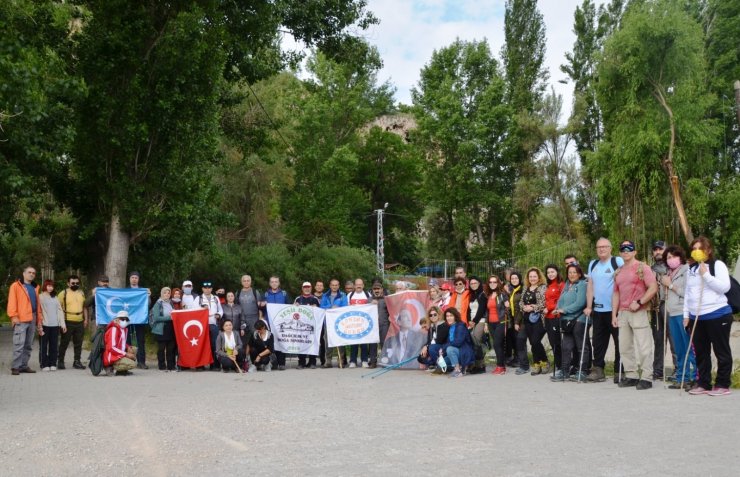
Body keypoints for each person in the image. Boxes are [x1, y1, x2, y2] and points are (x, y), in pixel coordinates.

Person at [683, 236, 734, 396]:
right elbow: (688, 294)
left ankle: (722, 384)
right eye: (694, 248)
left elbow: (724, 287)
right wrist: (686, 315)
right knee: (701, 352)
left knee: (721, 350)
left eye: (701, 248)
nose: (697, 251)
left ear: (708, 250)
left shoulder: (717, 265)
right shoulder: (691, 269)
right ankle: (704, 382)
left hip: (717, 314)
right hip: (697, 316)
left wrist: (706, 275)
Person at [612, 240, 658, 390]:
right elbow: (616, 293)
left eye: (629, 249)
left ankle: (646, 377)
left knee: (644, 346)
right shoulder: (618, 271)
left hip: (639, 311)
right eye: (623, 249)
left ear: (634, 252)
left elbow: (653, 287)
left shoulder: (642, 267)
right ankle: (631, 375)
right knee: (624, 346)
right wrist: (614, 315)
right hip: (623, 313)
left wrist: (639, 301)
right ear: (619, 253)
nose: (626, 251)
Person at [585, 238, 624, 383]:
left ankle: (619, 371)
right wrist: (589, 306)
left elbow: (627, 270)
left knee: (619, 342)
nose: (601, 249)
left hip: (615, 310)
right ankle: (598, 369)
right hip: (598, 310)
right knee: (598, 342)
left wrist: (620, 270)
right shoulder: (593, 264)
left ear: (610, 248)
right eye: (599, 247)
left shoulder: (617, 261)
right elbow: (590, 286)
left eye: (604, 247)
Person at [661, 245, 696, 389]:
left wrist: (670, 286)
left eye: (674, 256)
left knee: (689, 347)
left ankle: (694, 377)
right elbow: (665, 296)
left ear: (680, 257)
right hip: (672, 313)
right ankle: (682, 377)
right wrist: (664, 286)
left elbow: (688, 292)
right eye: (668, 257)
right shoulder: (668, 273)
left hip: (684, 312)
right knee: (679, 348)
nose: (671, 260)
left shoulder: (687, 271)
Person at [553, 264, 589, 382]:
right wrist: (557, 308)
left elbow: (580, 303)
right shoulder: (567, 285)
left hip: (578, 319)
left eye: (574, 272)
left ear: (579, 274)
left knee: (581, 346)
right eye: (569, 272)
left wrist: (564, 310)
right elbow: (560, 300)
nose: (572, 275)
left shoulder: (582, 284)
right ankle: (565, 371)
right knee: (566, 347)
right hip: (566, 320)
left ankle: (582, 371)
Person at [515, 268, 547, 376]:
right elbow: (520, 303)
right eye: (530, 276)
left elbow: (544, 304)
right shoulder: (526, 288)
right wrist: (523, 307)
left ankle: (544, 362)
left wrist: (533, 307)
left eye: (534, 276)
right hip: (527, 319)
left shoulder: (543, 288)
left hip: (539, 319)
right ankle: (537, 364)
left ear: (539, 277)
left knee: (535, 341)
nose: (532, 278)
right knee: (532, 343)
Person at [57, 275, 88, 370]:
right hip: (67, 321)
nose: (75, 285)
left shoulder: (81, 293)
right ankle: (60, 361)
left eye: (77, 283)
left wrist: (86, 319)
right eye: (73, 283)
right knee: (64, 342)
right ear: (68, 283)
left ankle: (77, 361)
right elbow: (58, 308)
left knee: (78, 343)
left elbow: (85, 307)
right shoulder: (63, 293)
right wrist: (61, 322)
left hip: (80, 321)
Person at [650, 240, 671, 380]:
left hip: (670, 305)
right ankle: (658, 370)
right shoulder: (649, 269)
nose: (658, 252)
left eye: (661, 249)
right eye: (655, 249)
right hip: (656, 308)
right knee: (658, 340)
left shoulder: (673, 267)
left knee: (674, 339)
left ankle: (679, 370)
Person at [320, 278, 348, 367]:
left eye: (336, 285)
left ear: (339, 286)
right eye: (333, 285)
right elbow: (321, 307)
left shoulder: (343, 295)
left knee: (340, 340)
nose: (334, 286)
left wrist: (338, 308)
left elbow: (345, 307)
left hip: (339, 322)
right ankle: (328, 361)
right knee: (328, 341)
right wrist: (331, 307)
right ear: (330, 286)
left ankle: (341, 360)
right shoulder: (325, 295)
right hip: (328, 321)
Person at [264, 276, 290, 370]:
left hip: (282, 323)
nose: (274, 283)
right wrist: (262, 305)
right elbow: (262, 309)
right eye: (272, 282)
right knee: (271, 343)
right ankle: (273, 363)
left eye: (276, 282)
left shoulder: (284, 293)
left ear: (279, 283)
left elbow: (289, 306)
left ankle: (282, 363)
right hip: (270, 322)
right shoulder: (266, 294)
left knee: (281, 341)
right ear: (270, 283)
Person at [39, 279, 66, 371]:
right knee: (43, 345)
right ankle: (44, 364)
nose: (50, 288)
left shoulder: (55, 298)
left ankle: (53, 363)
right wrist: (39, 325)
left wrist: (62, 324)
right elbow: (38, 312)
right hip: (44, 325)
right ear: (45, 286)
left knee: (54, 345)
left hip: (55, 325)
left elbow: (60, 311)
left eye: (51, 286)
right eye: (48, 285)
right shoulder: (40, 297)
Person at [440, 307, 474, 378]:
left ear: (455, 316)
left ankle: (458, 370)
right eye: (447, 316)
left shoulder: (460, 326)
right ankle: (462, 366)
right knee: (441, 363)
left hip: (464, 352)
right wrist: (442, 350)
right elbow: (449, 342)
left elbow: (458, 342)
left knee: (449, 349)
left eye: (451, 316)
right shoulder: (451, 327)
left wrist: (444, 348)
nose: (449, 318)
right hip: (457, 352)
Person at [543, 265, 565, 376]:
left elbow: (562, 300)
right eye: (548, 272)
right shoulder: (549, 285)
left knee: (557, 343)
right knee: (553, 342)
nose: (550, 274)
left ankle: (562, 366)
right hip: (548, 318)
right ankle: (558, 364)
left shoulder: (561, 284)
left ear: (557, 272)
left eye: (552, 271)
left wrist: (550, 308)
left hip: (556, 317)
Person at [485, 275, 509, 375]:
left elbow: (508, 308)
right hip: (491, 323)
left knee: (497, 344)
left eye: (494, 282)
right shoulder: (489, 295)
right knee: (497, 344)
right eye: (490, 282)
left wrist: (504, 318)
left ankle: (500, 367)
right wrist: (486, 323)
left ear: (498, 283)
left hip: (501, 322)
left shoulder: (503, 294)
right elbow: (487, 311)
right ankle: (502, 366)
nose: (492, 284)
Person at [294, 281, 321, 369]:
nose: (307, 289)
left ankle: (312, 362)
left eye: (308, 287)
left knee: (313, 343)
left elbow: (321, 312)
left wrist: (316, 308)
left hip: (312, 326)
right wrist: (295, 306)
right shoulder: (298, 298)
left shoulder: (315, 299)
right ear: (302, 288)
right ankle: (301, 362)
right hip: (301, 327)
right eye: (305, 287)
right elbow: (292, 311)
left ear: (311, 288)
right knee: (301, 343)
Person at [127, 271, 150, 369]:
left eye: (136, 278)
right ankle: (128, 361)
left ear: (138, 279)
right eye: (132, 277)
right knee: (127, 341)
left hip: (140, 319)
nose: (134, 279)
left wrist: (148, 296)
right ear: (130, 279)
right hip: (127, 320)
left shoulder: (143, 291)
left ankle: (141, 362)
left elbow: (148, 304)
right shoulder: (125, 291)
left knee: (140, 341)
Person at [347, 278, 372, 368]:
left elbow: (370, 307)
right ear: (354, 286)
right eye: (357, 284)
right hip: (353, 322)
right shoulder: (350, 295)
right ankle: (353, 361)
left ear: (363, 285)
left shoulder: (367, 294)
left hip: (364, 323)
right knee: (353, 342)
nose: (358, 286)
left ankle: (364, 360)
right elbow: (346, 307)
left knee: (364, 342)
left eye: (360, 284)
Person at [198, 280, 223, 370]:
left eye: (209, 288)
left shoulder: (216, 298)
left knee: (214, 345)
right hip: (202, 325)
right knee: (202, 344)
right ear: (202, 289)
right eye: (205, 288)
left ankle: (214, 365)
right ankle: (201, 365)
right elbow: (193, 311)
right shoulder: (198, 298)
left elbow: (220, 310)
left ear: (212, 289)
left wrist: (218, 315)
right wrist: (201, 308)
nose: (207, 289)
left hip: (213, 324)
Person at [150, 287, 176, 372]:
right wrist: (170, 317)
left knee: (170, 348)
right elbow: (157, 317)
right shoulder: (158, 304)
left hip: (170, 327)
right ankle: (161, 366)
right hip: (161, 328)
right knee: (161, 348)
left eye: (168, 293)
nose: (167, 295)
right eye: (165, 293)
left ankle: (171, 366)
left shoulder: (171, 303)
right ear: (162, 294)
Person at [103, 310, 137, 376]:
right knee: (133, 364)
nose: (124, 321)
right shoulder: (114, 329)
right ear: (117, 319)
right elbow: (111, 347)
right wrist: (126, 354)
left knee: (134, 349)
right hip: (111, 356)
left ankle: (122, 370)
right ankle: (110, 366)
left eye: (126, 319)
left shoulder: (123, 329)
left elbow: (121, 343)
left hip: (118, 354)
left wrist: (128, 347)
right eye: (122, 319)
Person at [466, 276, 488, 373]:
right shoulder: (472, 295)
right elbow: (469, 310)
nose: (473, 285)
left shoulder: (482, 295)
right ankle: (474, 364)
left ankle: (481, 365)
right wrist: (469, 320)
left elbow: (481, 310)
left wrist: (474, 321)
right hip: (472, 321)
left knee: (475, 338)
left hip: (480, 320)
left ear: (479, 284)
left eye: (475, 283)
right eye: (471, 283)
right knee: (472, 341)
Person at [505, 272, 523, 367]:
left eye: (516, 278)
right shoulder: (512, 290)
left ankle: (520, 359)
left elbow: (520, 308)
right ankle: (516, 358)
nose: (514, 280)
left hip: (520, 319)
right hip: (512, 318)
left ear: (519, 279)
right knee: (513, 339)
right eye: (512, 279)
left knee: (519, 339)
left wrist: (517, 322)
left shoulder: (522, 290)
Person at [369, 279, 389, 368]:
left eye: (378, 289)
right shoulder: (368, 300)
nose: (376, 290)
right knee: (372, 344)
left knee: (384, 344)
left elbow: (391, 312)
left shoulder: (387, 299)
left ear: (382, 289)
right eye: (375, 289)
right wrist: (370, 304)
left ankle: (385, 361)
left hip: (384, 325)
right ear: (372, 290)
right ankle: (373, 362)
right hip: (372, 326)